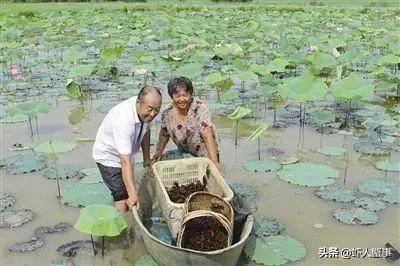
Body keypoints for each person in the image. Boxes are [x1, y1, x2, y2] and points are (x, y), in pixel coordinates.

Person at [92, 86, 162, 213]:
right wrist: (132, 194)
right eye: (150, 109)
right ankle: (122, 226)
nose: (153, 114)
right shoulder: (124, 119)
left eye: (157, 109)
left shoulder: (147, 113)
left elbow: (146, 130)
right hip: (108, 156)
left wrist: (147, 158)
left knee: (128, 189)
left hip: (126, 152)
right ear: (138, 102)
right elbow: (124, 161)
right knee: (122, 197)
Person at [152, 77, 221, 170]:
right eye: (177, 96)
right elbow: (164, 134)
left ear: (190, 94)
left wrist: (215, 163)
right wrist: (158, 152)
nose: (182, 99)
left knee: (210, 173)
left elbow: (207, 135)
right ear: (172, 97)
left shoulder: (199, 108)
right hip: (186, 151)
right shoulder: (167, 112)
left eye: (185, 95)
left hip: (205, 151)